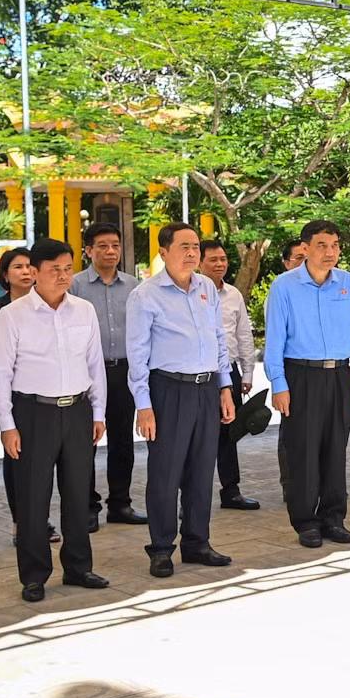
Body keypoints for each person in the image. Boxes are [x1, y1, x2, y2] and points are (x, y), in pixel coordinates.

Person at [0, 238, 110, 601]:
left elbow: (95, 364)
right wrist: (7, 425)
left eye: (68, 268)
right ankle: (34, 575)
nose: (62, 276)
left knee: (77, 493)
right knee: (33, 498)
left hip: (77, 410)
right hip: (32, 413)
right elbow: (1, 374)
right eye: (54, 269)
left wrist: (98, 412)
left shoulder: (84, 311)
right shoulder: (11, 315)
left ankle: (78, 567)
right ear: (34, 272)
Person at [127, 223, 235, 578]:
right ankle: (161, 548)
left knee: (202, 471)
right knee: (166, 472)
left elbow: (219, 339)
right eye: (184, 246)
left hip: (207, 388)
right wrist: (144, 405)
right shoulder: (146, 295)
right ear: (164, 252)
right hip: (168, 390)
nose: (192, 253)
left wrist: (225, 387)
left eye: (195, 246)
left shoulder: (206, 288)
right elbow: (137, 355)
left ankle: (197, 542)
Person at [265, 220, 350, 548]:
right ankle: (305, 521)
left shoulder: (348, 283)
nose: (330, 252)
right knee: (303, 452)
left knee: (335, 451)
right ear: (305, 248)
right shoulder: (284, 286)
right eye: (322, 245)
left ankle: (333, 518)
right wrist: (279, 384)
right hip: (301, 376)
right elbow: (274, 340)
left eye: (335, 245)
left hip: (339, 374)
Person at [75, 222, 145, 530]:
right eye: (102, 246)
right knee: (84, 442)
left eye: (115, 245)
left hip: (124, 371)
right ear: (89, 251)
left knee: (122, 440)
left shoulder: (133, 286)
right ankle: (87, 507)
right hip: (88, 374)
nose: (110, 251)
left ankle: (120, 504)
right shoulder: (75, 285)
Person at [0, 245, 46, 543]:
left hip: (46, 391)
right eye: (17, 267)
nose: (25, 271)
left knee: (44, 460)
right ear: (5, 275)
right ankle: (21, 521)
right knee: (18, 457)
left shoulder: (48, 302)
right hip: (13, 393)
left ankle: (41, 520)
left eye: (29, 266)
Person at [199, 240, 259, 511]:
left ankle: (231, 491)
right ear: (199, 262)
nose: (220, 264)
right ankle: (191, 497)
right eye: (213, 259)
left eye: (222, 259)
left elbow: (243, 334)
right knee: (196, 437)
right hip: (199, 374)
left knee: (228, 434)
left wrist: (247, 373)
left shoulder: (233, 294)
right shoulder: (189, 293)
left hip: (229, 371)